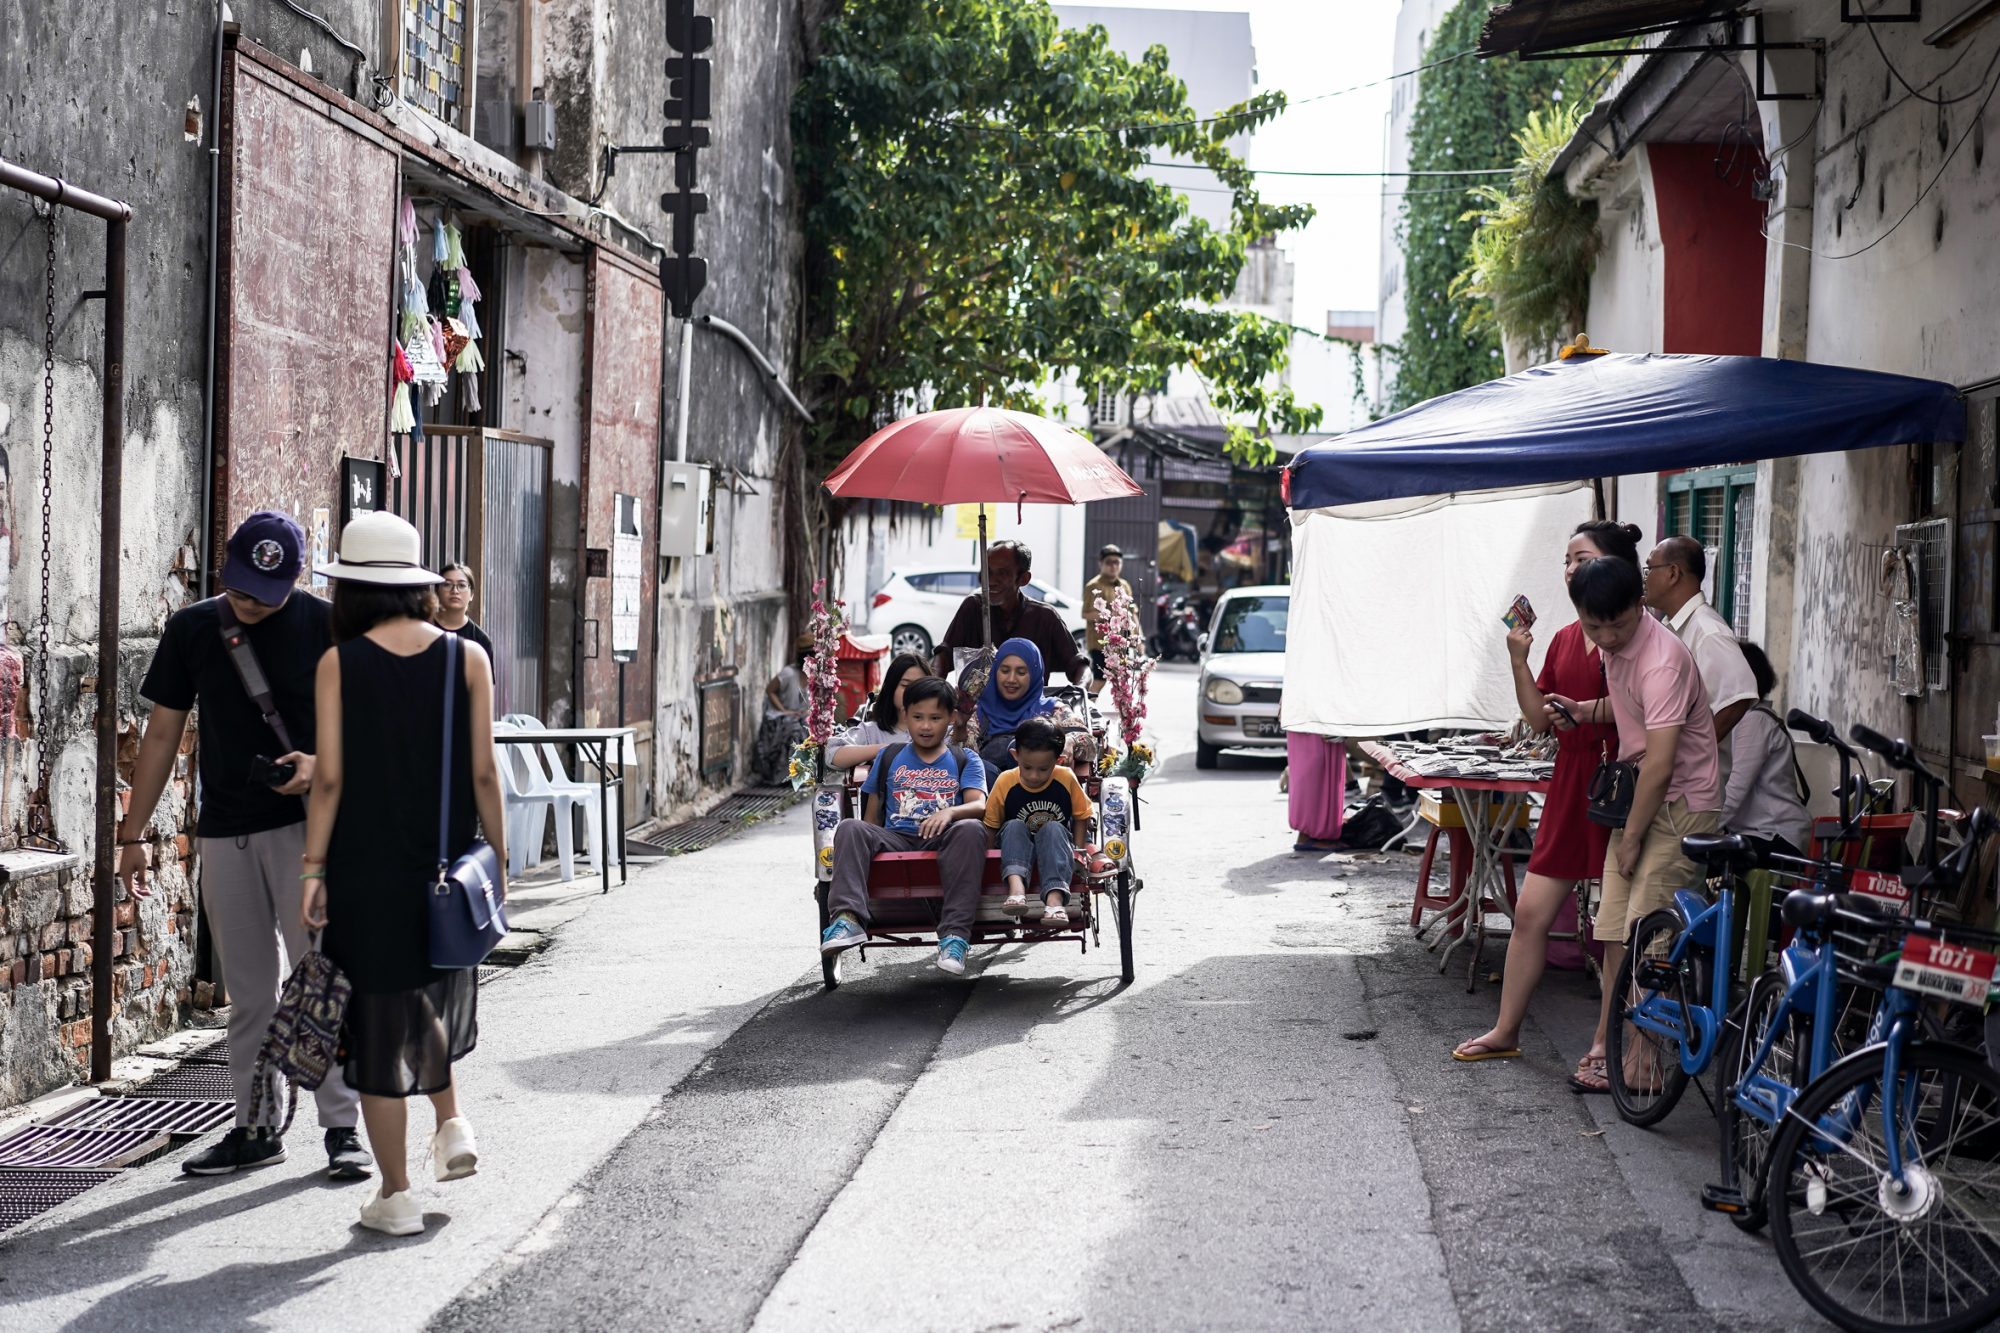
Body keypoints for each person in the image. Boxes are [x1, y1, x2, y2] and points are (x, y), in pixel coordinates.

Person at [116, 511, 369, 1180]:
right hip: (225, 832)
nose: (249, 600)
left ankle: (342, 1127)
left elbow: (371, 726)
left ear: (296, 579)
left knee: (319, 978)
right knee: (252, 994)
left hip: (308, 829)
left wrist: (321, 764)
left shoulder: (325, 626)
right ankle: (256, 1124)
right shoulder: (194, 628)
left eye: (266, 588)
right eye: (239, 584)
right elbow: (163, 736)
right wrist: (133, 833)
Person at [301, 511, 507, 1238]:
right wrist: (501, 860)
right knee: (419, 1000)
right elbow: (485, 770)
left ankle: (394, 1194)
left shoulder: (339, 663)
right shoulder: (466, 658)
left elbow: (328, 780)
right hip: (443, 871)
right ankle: (451, 1122)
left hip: (365, 873)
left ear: (351, 590)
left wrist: (312, 868)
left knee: (375, 1023)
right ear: (417, 584)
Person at [1454, 520, 1641, 1084]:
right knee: (1532, 914)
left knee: (1612, 928)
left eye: (1580, 559)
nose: (1569, 571)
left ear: (1614, 568)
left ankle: (1605, 1044)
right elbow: (1538, 719)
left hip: (1621, 785)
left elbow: (1649, 712)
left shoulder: (1635, 632)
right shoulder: (1563, 637)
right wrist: (1518, 659)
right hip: (1571, 782)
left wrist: (1588, 710)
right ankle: (1506, 1030)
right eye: (1565, 561)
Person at [1547, 556, 1721, 1092]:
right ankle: (1607, 1041)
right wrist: (1585, 707)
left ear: (1639, 608)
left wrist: (1634, 839)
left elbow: (1663, 762)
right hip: (1642, 797)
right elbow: (1629, 709)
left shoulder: (1662, 660)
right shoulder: (1617, 649)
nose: (1605, 638)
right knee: (1615, 932)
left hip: (1680, 805)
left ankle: (1643, 1064)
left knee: (1650, 937)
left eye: (1616, 626)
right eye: (1593, 627)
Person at [820, 676, 989, 975]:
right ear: (906, 715)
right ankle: (847, 919)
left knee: (972, 828)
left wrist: (949, 813)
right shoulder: (890, 755)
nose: (925, 726)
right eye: (918, 717)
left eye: (935, 718)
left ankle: (954, 937)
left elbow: (978, 805)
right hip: (896, 837)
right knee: (850, 828)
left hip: (943, 839)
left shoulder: (965, 758)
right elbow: (871, 817)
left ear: (950, 718)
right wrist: (863, 840)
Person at [1642, 536, 1757, 769]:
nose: (1645, 578)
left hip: (1694, 788)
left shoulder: (1707, 630)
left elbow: (1738, 698)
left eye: (1650, 568)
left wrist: (1690, 757)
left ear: (1673, 573)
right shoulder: (1670, 628)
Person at [984, 717, 1094, 927]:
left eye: (1043, 769)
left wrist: (1079, 851)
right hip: (1015, 847)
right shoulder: (1006, 780)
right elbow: (991, 825)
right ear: (1016, 756)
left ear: (1058, 761)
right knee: (1014, 826)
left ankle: (1054, 901)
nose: (1034, 776)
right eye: (1027, 767)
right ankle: (1016, 891)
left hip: (1055, 845)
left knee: (1052, 828)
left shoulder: (1065, 777)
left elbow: (1082, 815)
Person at [934, 540, 1088, 684]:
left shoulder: (1045, 617)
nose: (992, 581)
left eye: (1002, 573)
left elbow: (1078, 666)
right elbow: (944, 655)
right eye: (988, 572)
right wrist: (932, 687)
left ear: (1024, 579)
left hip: (1031, 711)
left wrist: (1082, 691)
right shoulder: (973, 607)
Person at [1722, 640, 1813, 860]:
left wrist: (1700, 826)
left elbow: (1735, 789)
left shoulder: (1754, 722)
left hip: (1776, 835)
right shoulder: (1747, 718)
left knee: (1696, 856)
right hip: (1758, 832)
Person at [827, 652, 926, 771]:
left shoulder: (943, 731)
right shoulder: (872, 732)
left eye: (920, 686)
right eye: (906, 685)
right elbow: (832, 754)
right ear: (891, 688)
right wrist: (884, 750)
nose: (913, 692)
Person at [753, 633, 813, 783]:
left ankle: (802, 775)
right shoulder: (788, 674)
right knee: (794, 729)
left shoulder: (814, 676)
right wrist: (784, 710)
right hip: (778, 716)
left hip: (797, 716)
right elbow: (770, 690)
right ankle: (784, 777)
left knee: (807, 727)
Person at [1081, 544, 1134, 698]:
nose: (1113, 566)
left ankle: (1124, 717)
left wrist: (1139, 638)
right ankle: (1087, 711)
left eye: (1117, 562)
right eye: (1109, 562)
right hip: (1100, 644)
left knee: (1123, 681)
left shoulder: (1125, 586)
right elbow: (1085, 613)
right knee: (1100, 679)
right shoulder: (1093, 586)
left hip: (1121, 642)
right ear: (1101, 564)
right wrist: (1109, 616)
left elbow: (1132, 613)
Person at [434, 561, 495, 659]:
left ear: (471, 594)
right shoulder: (424, 626)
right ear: (437, 591)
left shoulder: (480, 639)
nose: (455, 591)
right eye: (447, 584)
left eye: (462, 585)